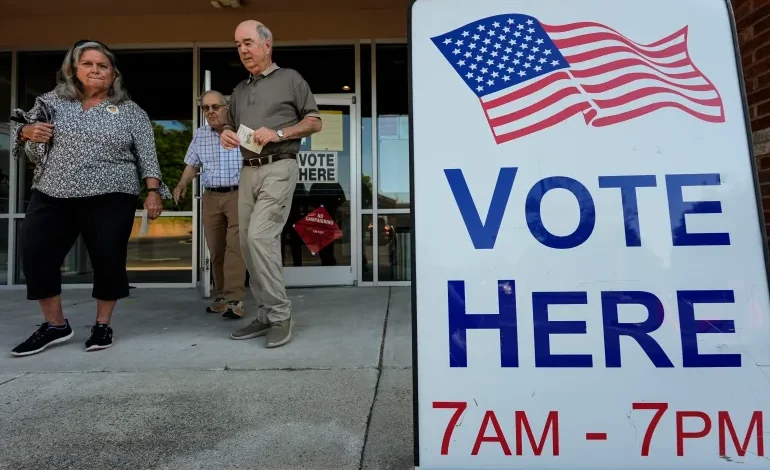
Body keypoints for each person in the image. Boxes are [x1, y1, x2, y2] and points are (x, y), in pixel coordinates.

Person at [9, 39, 172, 357]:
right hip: (53, 191)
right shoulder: (52, 101)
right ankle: (55, 325)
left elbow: (148, 156)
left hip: (112, 193)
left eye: (103, 66)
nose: (96, 70)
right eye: (88, 64)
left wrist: (153, 192)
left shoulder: (130, 111)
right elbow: (24, 130)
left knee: (108, 259)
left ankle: (102, 324)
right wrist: (25, 133)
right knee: (35, 252)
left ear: (113, 74)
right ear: (73, 69)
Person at [220, 20, 322, 348]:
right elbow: (229, 125)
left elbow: (314, 121)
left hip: (279, 166)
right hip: (247, 169)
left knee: (260, 236)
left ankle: (280, 314)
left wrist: (278, 133)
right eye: (238, 45)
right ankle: (265, 313)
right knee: (248, 245)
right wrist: (225, 132)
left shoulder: (290, 79)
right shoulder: (239, 90)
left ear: (267, 44)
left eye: (248, 42)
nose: (243, 50)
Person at [174, 90, 247, 318]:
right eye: (206, 108)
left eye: (216, 106)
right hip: (211, 196)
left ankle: (236, 299)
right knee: (216, 249)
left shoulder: (242, 132)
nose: (211, 111)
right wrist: (181, 184)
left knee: (235, 247)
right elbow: (192, 164)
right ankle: (223, 293)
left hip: (238, 195)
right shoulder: (200, 134)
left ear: (226, 107)